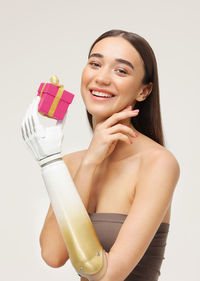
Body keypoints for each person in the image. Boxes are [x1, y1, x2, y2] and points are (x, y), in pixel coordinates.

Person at [23, 29, 180, 281]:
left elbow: (108, 277)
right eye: (95, 64)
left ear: (144, 91)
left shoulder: (157, 164)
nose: (102, 78)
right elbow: (53, 255)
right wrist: (85, 163)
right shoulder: (72, 163)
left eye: (121, 70)